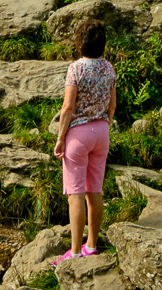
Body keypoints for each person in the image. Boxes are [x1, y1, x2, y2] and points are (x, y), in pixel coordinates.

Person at [53, 19, 116, 260]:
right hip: (101, 132)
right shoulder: (109, 68)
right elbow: (113, 105)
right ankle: (91, 245)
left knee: (76, 194)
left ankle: (75, 251)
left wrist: (61, 138)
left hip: (78, 134)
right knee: (95, 191)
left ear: (80, 44)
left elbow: (68, 107)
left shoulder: (76, 69)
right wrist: (104, 124)